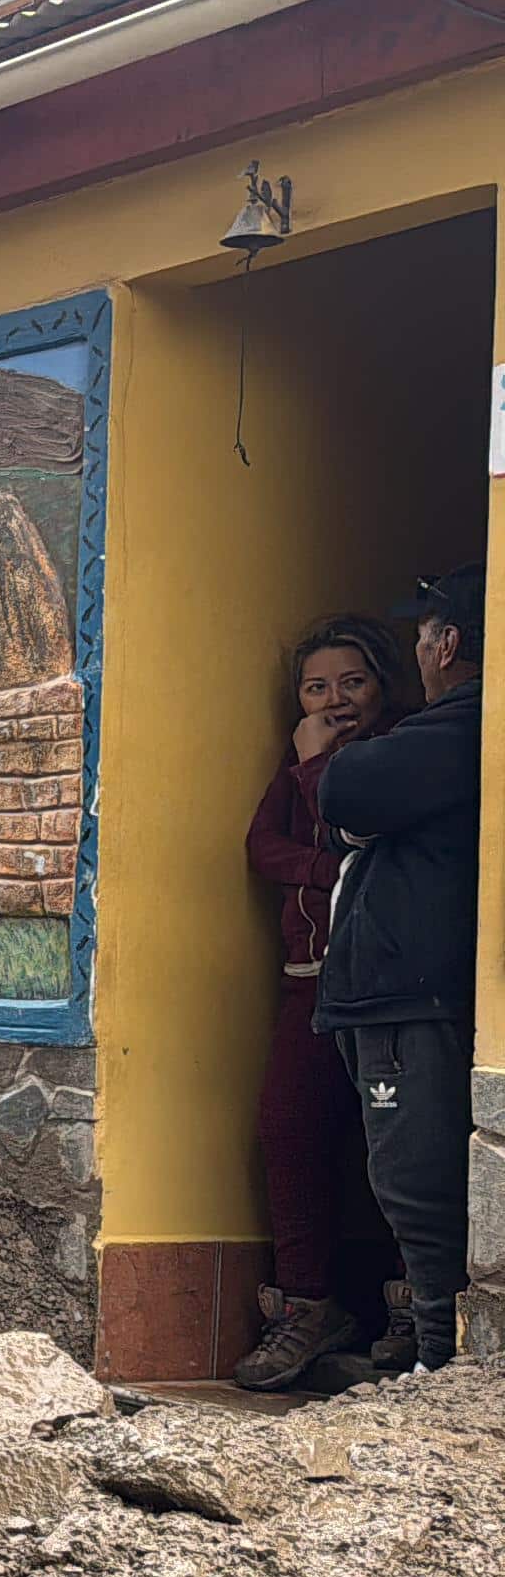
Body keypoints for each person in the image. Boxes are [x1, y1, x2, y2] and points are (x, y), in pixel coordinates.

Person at [234, 613, 416, 1389]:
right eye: (317, 686)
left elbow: (362, 838)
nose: (336, 699)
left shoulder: (405, 746)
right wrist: (324, 870)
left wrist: (319, 787)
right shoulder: (300, 751)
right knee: (290, 1129)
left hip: (387, 988)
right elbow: (260, 848)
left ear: (384, 686)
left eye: (353, 682)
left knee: (400, 1145)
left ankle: (415, 1313)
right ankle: (307, 1308)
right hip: (306, 979)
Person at [318, 564, 485, 1375]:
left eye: (422, 633)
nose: (419, 647)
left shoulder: (461, 725)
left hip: (406, 997)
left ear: (447, 644)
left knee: (413, 1179)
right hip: (411, 996)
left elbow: (346, 791)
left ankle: (436, 1366)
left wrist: (328, 761)